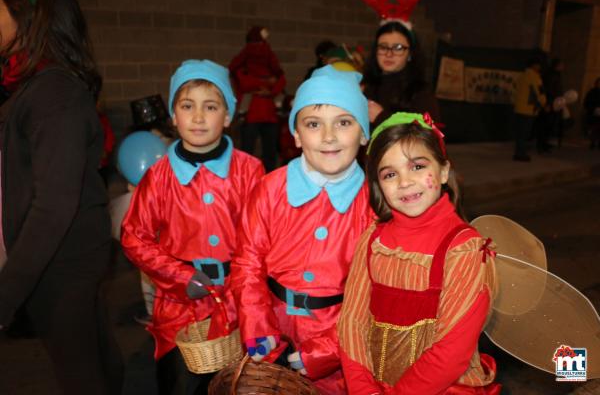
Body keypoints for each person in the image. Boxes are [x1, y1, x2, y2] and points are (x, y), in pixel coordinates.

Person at [0, 0, 123, 394]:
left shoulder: (53, 92)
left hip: (60, 259)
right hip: (67, 253)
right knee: (93, 355)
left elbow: (54, 204)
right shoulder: (39, 86)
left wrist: (7, 291)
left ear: (28, 18)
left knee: (80, 374)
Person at [121, 59, 264, 395]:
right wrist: (181, 276)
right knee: (179, 385)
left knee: (233, 385)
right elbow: (134, 237)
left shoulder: (250, 171)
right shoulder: (159, 177)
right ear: (174, 115)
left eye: (210, 107)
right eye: (187, 106)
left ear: (227, 116)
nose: (198, 117)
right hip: (178, 307)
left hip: (235, 303)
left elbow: (263, 239)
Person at [231, 65, 372, 394]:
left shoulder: (373, 205)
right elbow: (248, 262)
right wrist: (256, 324)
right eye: (313, 124)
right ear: (295, 134)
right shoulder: (269, 189)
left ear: (363, 133)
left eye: (344, 122)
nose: (328, 137)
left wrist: (331, 349)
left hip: (339, 339)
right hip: (271, 329)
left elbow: (375, 296)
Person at [338, 112, 500, 395]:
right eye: (390, 173)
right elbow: (352, 322)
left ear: (444, 171)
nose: (404, 181)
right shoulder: (373, 240)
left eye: (417, 166)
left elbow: (452, 351)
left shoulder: (463, 249)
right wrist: (364, 390)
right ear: (378, 185)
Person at [362, 21, 440, 132]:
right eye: (383, 47)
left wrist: (382, 117)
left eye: (398, 48)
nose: (389, 54)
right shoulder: (366, 87)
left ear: (410, 54)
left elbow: (431, 134)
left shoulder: (421, 92)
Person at [229, 26, 286, 172]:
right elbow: (243, 80)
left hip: (263, 113)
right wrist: (268, 83)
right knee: (253, 153)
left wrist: (267, 87)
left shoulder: (264, 58)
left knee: (266, 153)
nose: (259, 49)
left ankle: (264, 182)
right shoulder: (248, 59)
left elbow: (280, 78)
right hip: (254, 112)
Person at [512, 56, 547, 162]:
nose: (540, 67)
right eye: (539, 64)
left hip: (519, 107)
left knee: (520, 133)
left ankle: (518, 152)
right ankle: (521, 154)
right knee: (525, 133)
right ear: (534, 65)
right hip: (528, 109)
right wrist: (544, 104)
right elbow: (539, 93)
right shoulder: (534, 77)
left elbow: (514, 90)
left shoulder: (521, 76)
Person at [584, 77, 600, 150]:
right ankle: (593, 142)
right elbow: (587, 102)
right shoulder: (592, 92)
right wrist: (593, 109)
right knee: (594, 128)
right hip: (593, 113)